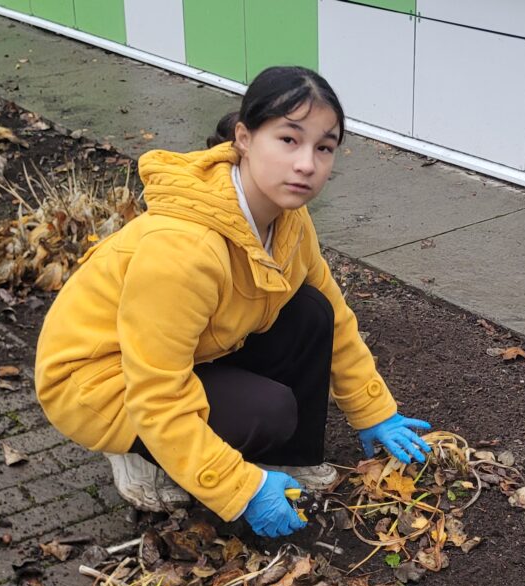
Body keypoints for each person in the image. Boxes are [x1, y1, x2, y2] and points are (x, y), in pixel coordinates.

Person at [34, 66, 434, 538]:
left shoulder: (288, 220)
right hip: (100, 379)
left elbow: (336, 317)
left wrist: (374, 410)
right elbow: (158, 395)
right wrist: (237, 487)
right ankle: (145, 462)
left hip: (176, 353)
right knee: (268, 411)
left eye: (324, 147)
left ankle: (289, 460)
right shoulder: (184, 249)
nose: (307, 163)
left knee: (310, 312)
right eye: (289, 140)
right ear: (244, 138)